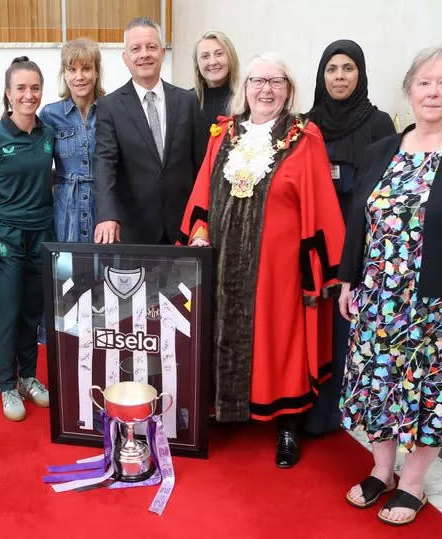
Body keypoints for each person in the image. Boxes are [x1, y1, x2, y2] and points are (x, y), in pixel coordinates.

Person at [338, 48, 442, 525]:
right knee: (378, 387)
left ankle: (412, 483)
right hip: (378, 299)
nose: (432, 92)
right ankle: (380, 468)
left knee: (433, 393)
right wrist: (348, 280)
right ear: (409, 90)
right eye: (424, 83)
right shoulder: (381, 150)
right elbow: (360, 221)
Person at [179, 53, 345, 468]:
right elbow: (203, 190)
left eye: (277, 81)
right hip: (221, 263)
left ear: (289, 89)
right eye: (258, 81)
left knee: (280, 340)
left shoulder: (305, 137)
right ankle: (222, 408)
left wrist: (319, 270)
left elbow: (320, 201)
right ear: (245, 87)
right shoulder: (224, 133)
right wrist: (198, 234)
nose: (266, 89)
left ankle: (287, 425)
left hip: (279, 268)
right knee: (217, 331)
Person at [304, 39, 396, 436]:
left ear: (360, 73)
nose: (339, 77)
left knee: (349, 325)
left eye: (348, 68)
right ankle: (312, 409)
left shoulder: (379, 124)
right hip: (315, 239)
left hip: (361, 239)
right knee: (316, 322)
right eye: (332, 69)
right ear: (322, 76)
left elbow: (387, 187)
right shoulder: (306, 124)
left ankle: (349, 411)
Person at [0, 56, 52, 422]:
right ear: (8, 93)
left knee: (32, 314)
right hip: (5, 238)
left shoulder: (47, 133)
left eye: (34, 88)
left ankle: (28, 378)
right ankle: (6, 385)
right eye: (21, 88)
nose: (28, 95)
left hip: (41, 236)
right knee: (8, 314)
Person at [95, 17, 205, 244]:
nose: (144, 54)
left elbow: (201, 167)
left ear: (163, 53)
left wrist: (202, 222)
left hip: (184, 228)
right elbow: (105, 164)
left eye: (151, 47)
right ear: (126, 58)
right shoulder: (110, 106)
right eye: (136, 49)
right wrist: (106, 215)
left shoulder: (188, 101)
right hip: (134, 228)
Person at [39, 38, 104, 243]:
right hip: (65, 210)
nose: (79, 77)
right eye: (71, 69)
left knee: (103, 270)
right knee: (66, 271)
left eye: (86, 68)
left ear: (96, 72)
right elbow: (35, 161)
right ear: (64, 74)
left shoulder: (111, 110)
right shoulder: (50, 114)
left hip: (102, 208)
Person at [193, 30, 240, 144]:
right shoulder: (187, 103)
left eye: (219, 54)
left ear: (230, 58)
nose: (213, 62)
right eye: (205, 56)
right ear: (197, 65)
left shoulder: (246, 100)